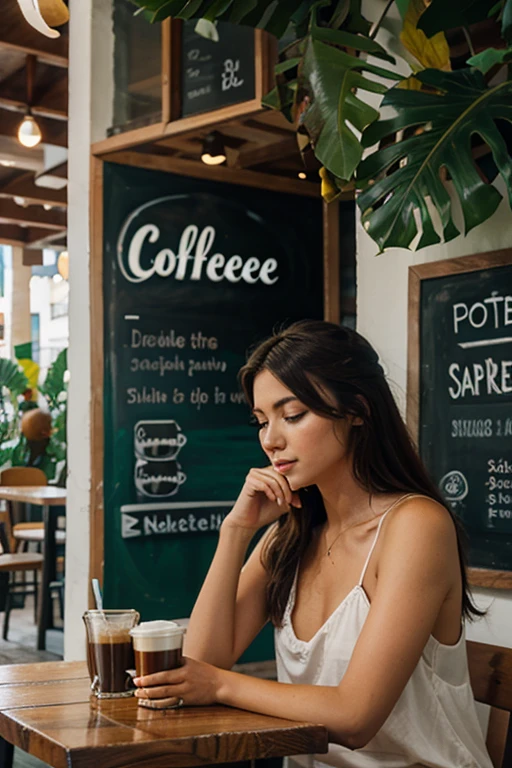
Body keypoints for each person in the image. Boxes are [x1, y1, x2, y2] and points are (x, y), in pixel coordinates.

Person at [133, 320, 492, 768]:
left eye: (293, 414)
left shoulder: (415, 527)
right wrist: (235, 531)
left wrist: (220, 685)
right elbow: (202, 660)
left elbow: (356, 717)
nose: (270, 439)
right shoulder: (291, 535)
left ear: (357, 409)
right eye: (262, 421)